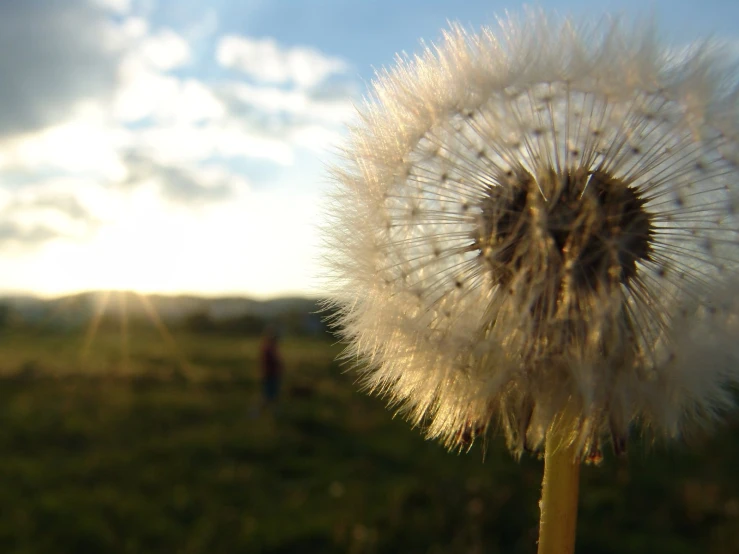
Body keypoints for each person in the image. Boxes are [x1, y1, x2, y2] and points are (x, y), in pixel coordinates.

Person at [258, 326, 283, 413]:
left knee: (272, 396)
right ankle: (256, 413)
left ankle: (274, 413)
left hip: (272, 375)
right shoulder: (268, 349)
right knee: (268, 396)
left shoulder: (270, 348)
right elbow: (271, 362)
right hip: (270, 375)